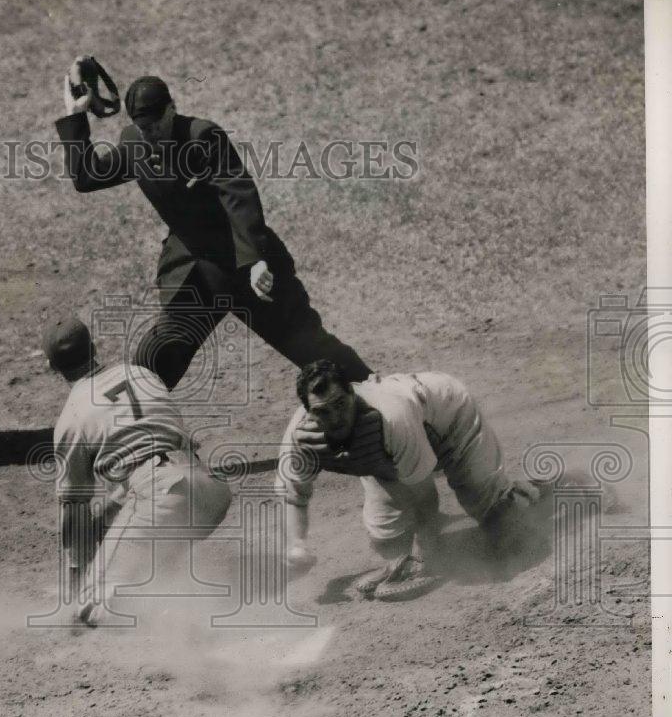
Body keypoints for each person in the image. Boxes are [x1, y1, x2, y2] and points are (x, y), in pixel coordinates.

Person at [55, 61, 372, 391]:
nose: (150, 133)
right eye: (142, 126)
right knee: (156, 359)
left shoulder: (202, 136)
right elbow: (87, 176)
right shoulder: (135, 144)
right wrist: (76, 115)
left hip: (245, 266)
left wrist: (255, 260)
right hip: (199, 273)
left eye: (155, 124)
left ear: (172, 110)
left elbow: (238, 195)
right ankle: (132, 429)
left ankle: (378, 396)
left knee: (310, 348)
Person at [275, 360, 554, 601]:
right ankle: (414, 554)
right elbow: (293, 495)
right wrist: (297, 544)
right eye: (323, 411)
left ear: (352, 393)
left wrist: (431, 556)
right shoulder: (300, 437)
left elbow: (423, 495)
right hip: (390, 458)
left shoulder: (390, 417)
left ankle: (531, 495)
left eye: (339, 404)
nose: (335, 418)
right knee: (387, 541)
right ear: (307, 411)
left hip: (449, 417)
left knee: (502, 525)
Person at [44, 316, 233, 627]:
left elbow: (73, 507)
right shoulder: (141, 374)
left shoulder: (72, 416)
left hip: (163, 497)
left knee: (90, 606)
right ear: (93, 347)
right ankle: (163, 591)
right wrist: (105, 518)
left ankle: (182, 635)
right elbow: (163, 450)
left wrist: (79, 578)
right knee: (123, 526)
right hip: (210, 491)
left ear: (52, 367)